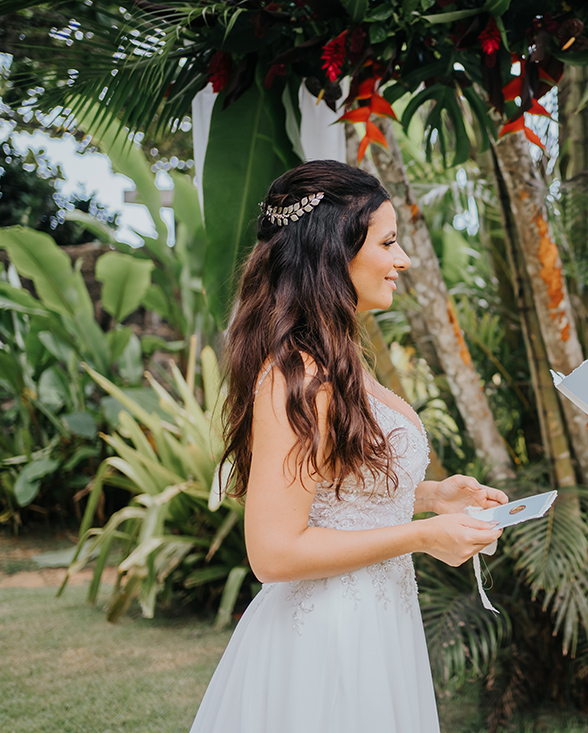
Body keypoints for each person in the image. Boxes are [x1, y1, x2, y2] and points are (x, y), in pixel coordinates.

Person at [190, 160, 505, 732]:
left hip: (377, 623)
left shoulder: (340, 358)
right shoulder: (299, 375)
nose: (403, 259)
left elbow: (341, 487)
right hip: (327, 639)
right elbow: (274, 552)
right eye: (388, 242)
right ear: (335, 252)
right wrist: (424, 535)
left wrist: (434, 495)